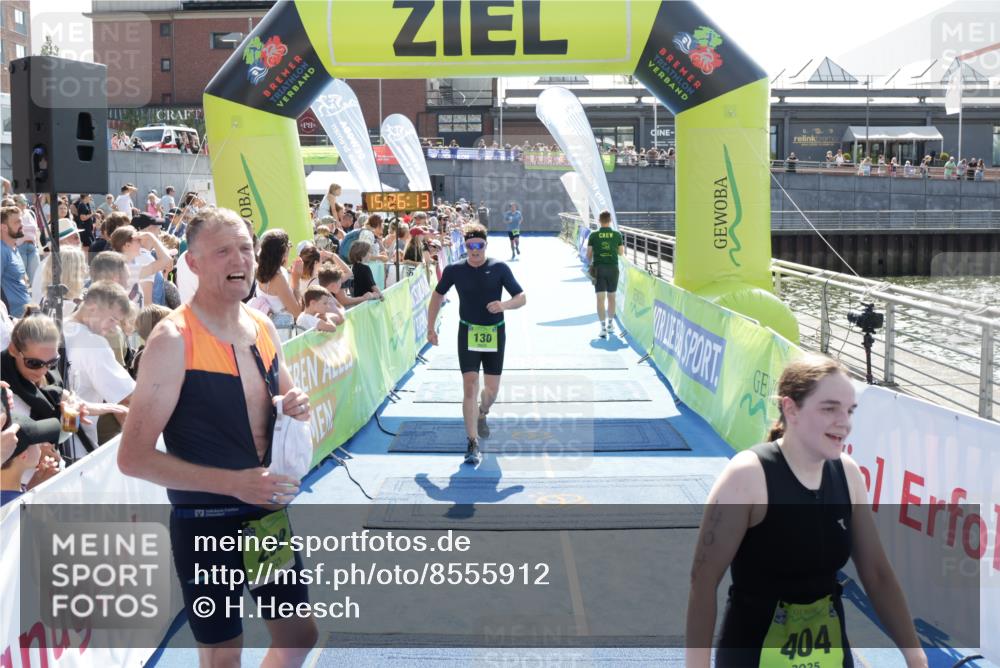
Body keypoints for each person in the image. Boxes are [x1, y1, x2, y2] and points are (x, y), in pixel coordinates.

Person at [118, 207, 317, 668]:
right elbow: (133, 458)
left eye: (245, 247)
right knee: (223, 657)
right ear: (192, 263)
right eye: (223, 251)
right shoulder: (172, 339)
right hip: (207, 521)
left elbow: (286, 397)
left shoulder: (261, 326)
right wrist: (233, 484)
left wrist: (296, 404)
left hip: (265, 515)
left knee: (297, 635)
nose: (240, 260)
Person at [685, 354, 928, 668]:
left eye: (849, 410)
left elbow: (877, 574)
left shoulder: (848, 474)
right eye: (829, 408)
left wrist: (915, 655)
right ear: (791, 409)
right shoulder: (747, 476)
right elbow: (702, 581)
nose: (844, 422)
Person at [426, 223, 526, 465]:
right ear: (465, 246)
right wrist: (431, 326)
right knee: (469, 385)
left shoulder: (499, 268)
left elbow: (521, 297)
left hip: (495, 333)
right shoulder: (454, 270)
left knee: (490, 391)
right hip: (468, 333)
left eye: (479, 245)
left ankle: (483, 412)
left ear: (485, 245)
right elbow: (437, 295)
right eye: (470, 245)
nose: (475, 250)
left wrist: (503, 306)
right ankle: (472, 442)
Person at [586, 211, 625, 339]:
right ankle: (610, 324)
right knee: (612, 297)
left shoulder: (594, 235)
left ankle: (602, 328)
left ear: (599, 220)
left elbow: (588, 255)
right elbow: (620, 253)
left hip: (599, 269)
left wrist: (591, 263)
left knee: (600, 298)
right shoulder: (617, 234)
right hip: (613, 269)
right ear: (610, 221)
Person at [1, 206, 31, 318]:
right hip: (14, 318)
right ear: (3, 227)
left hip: (25, 313)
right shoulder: (1, 251)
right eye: (17, 222)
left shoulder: (13, 248)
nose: (21, 225)